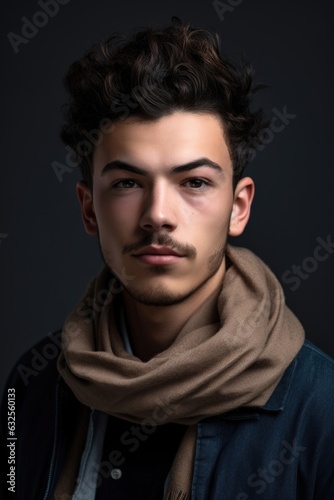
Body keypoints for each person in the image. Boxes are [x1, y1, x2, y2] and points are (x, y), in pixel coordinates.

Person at [1, 20, 334, 500]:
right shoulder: (30, 387)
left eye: (194, 182)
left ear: (238, 207)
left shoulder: (320, 407)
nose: (157, 215)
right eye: (127, 183)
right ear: (89, 209)